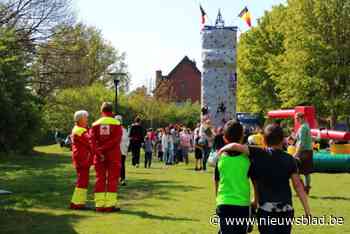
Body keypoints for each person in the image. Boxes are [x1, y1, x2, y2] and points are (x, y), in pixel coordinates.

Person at [219, 124, 311, 234]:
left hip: (266, 211)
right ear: (282, 140)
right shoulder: (290, 159)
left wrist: (223, 148)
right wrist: (307, 211)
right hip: (286, 210)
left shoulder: (260, 153)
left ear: (265, 141)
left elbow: (235, 146)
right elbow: (298, 186)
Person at [214, 120, 253, 234]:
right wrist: (255, 201)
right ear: (242, 137)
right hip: (243, 204)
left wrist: (217, 198)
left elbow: (216, 180)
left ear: (224, 138)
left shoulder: (220, 158)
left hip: (224, 203)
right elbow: (255, 181)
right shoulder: (248, 159)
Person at [90, 102, 122, 212]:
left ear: (101, 111)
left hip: (99, 156)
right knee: (113, 179)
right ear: (111, 111)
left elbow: (92, 142)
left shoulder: (94, 124)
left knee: (100, 179)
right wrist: (103, 149)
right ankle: (110, 205)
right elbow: (117, 140)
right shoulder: (117, 123)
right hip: (113, 155)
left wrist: (99, 152)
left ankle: (99, 204)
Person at [70, 110, 93, 210]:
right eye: (86, 118)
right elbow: (90, 141)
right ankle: (76, 203)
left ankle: (79, 202)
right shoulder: (80, 130)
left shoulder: (79, 129)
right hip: (82, 158)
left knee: (83, 180)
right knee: (82, 180)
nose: (87, 119)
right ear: (80, 119)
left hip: (81, 158)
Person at [294, 112, 313, 195]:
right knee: (306, 172)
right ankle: (306, 189)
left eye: (297, 118)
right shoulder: (307, 126)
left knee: (295, 171)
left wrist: (296, 154)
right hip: (308, 151)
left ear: (302, 118)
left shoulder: (303, 127)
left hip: (303, 152)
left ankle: (302, 189)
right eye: (296, 119)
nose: (296, 120)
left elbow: (301, 142)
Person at [115, 115, 129, 186]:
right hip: (119, 150)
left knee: (120, 165)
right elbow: (127, 142)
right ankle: (120, 179)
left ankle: (121, 179)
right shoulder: (123, 130)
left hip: (120, 150)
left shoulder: (123, 130)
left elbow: (126, 141)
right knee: (120, 165)